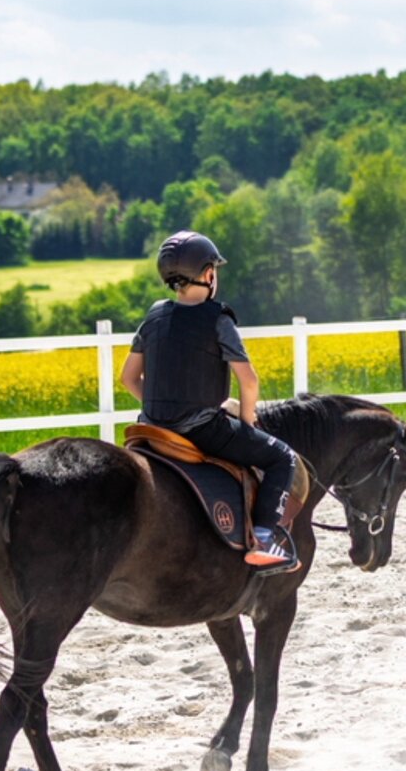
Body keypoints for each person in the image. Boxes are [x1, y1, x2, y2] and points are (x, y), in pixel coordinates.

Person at [121, 230, 299, 571]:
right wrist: (247, 424)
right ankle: (263, 537)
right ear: (207, 274)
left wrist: (160, 407)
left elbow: (128, 378)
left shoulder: (154, 317)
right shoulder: (218, 319)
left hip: (151, 430)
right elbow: (249, 381)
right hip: (202, 429)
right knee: (282, 458)